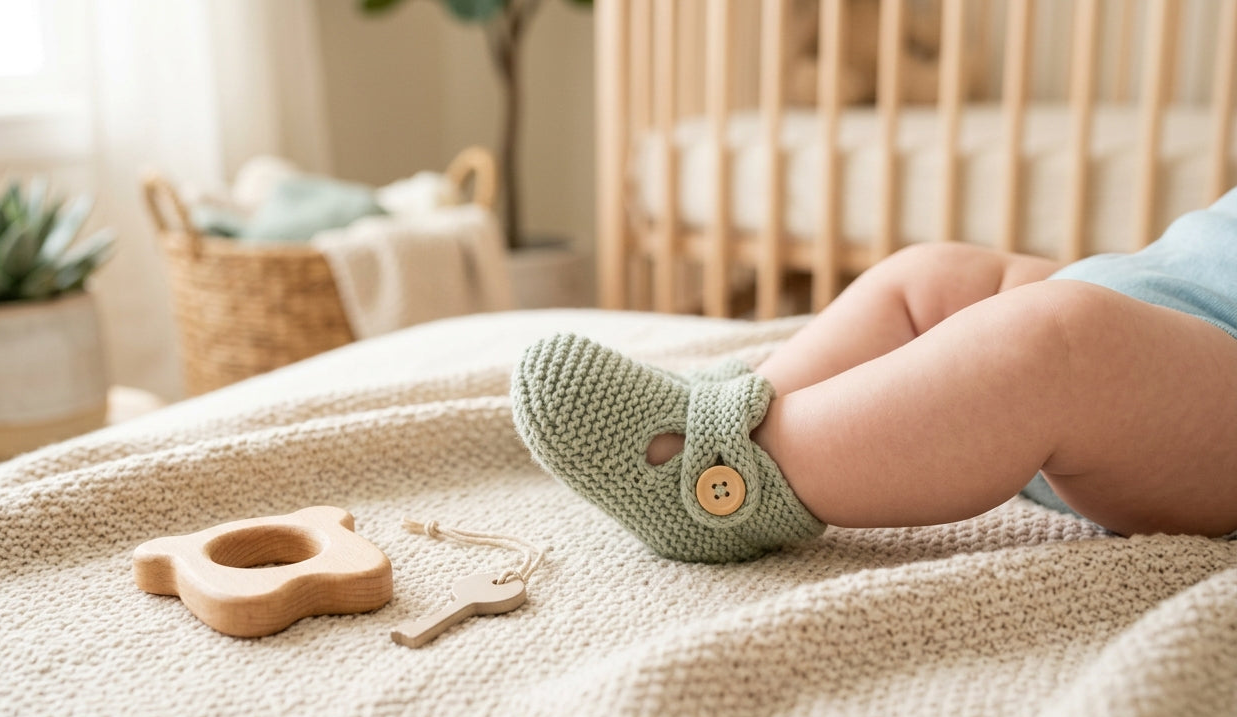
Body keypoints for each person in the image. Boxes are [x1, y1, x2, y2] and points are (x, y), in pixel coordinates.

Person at [510, 190, 1237, 563]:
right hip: (1155, 300)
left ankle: (730, 479)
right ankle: (748, 401)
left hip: (1205, 394)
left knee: (1058, 342)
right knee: (939, 274)